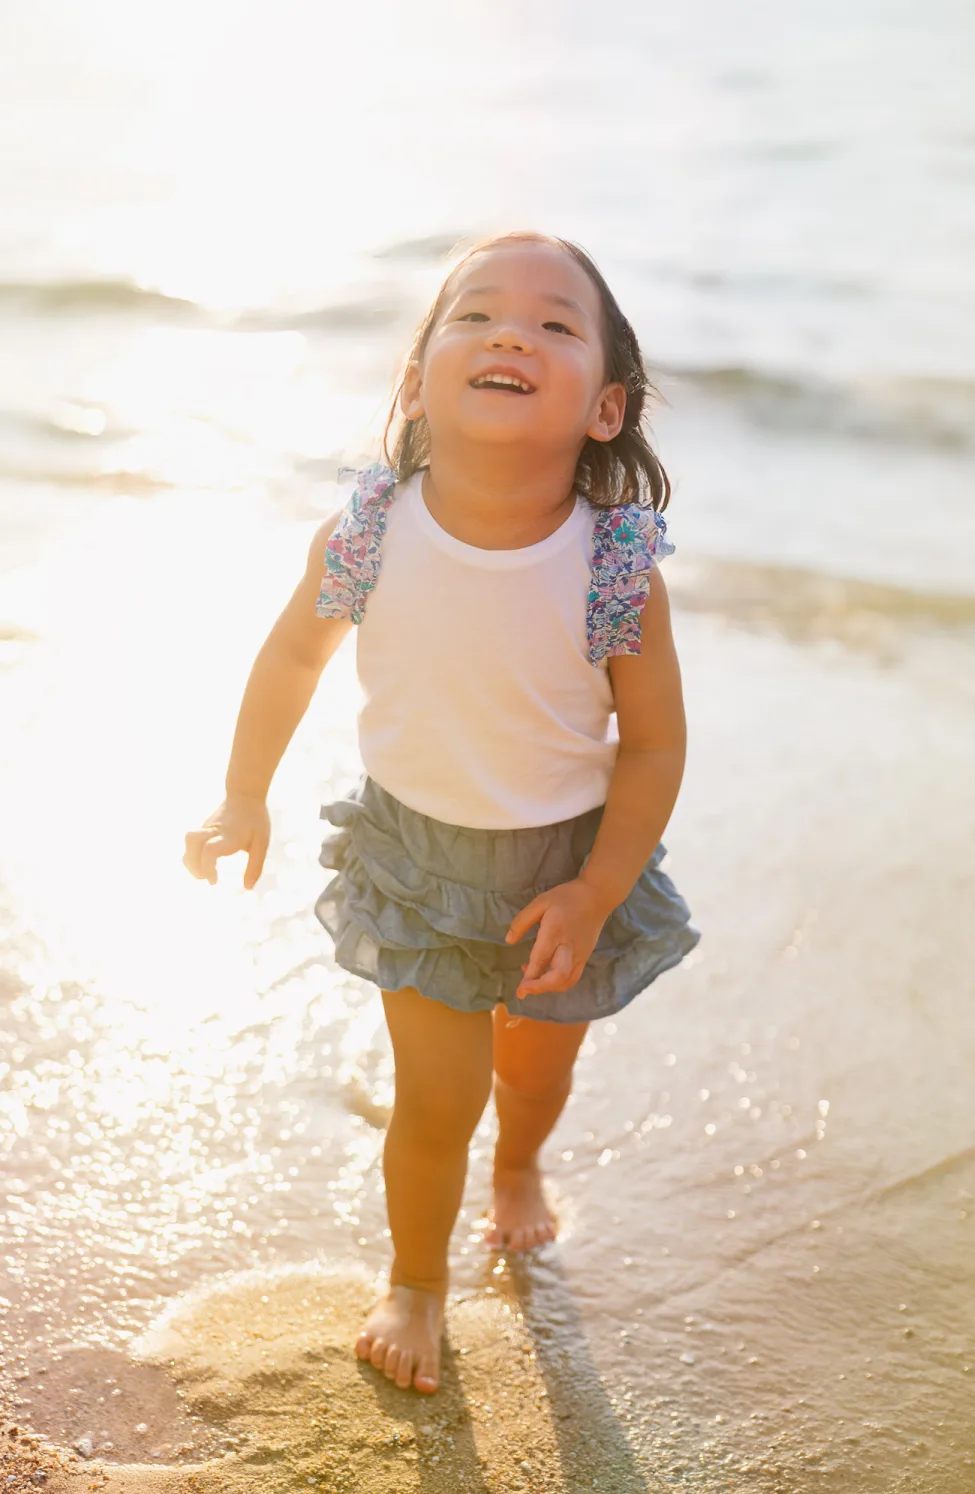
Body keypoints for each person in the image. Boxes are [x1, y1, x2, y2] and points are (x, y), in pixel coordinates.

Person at [183, 230, 699, 1396]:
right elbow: (286, 662)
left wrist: (598, 886)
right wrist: (241, 794)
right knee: (434, 1098)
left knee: (533, 1075)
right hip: (415, 859)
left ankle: (519, 1168)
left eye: (555, 325)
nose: (511, 331)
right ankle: (414, 1279)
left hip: (568, 863)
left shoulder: (613, 566)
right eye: (473, 315)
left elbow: (655, 742)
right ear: (415, 382)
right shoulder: (369, 532)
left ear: (605, 407)